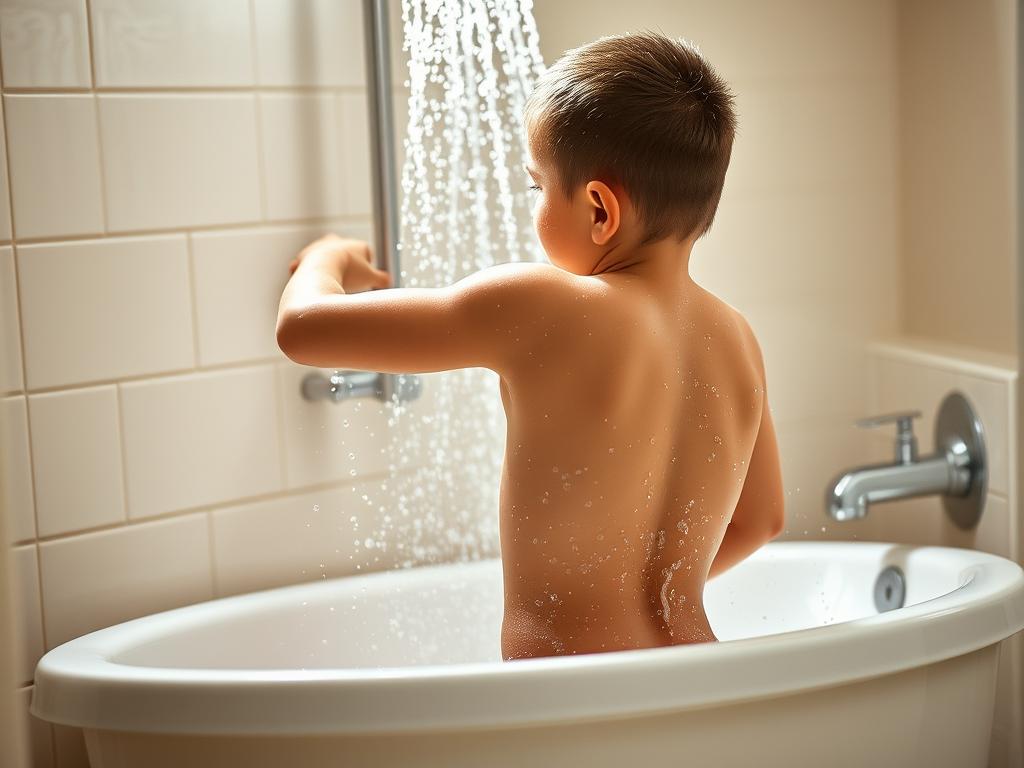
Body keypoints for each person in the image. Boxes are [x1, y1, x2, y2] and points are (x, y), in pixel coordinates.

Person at [276, 30, 784, 660]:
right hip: (697, 672)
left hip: (566, 696)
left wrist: (329, 256)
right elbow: (762, 520)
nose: (534, 204)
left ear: (600, 210)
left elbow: (303, 329)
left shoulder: (546, 306)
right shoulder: (737, 339)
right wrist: (640, 593)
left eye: (536, 186)